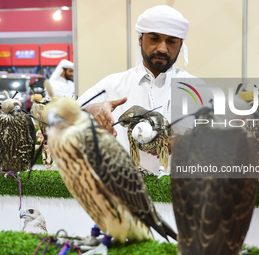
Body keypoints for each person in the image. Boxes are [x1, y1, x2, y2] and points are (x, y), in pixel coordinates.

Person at [77, 5, 195, 173]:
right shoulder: (113, 84)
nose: (162, 48)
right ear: (140, 39)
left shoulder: (194, 88)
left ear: (181, 44)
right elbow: (60, 119)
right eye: (154, 38)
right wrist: (89, 110)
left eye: (171, 41)